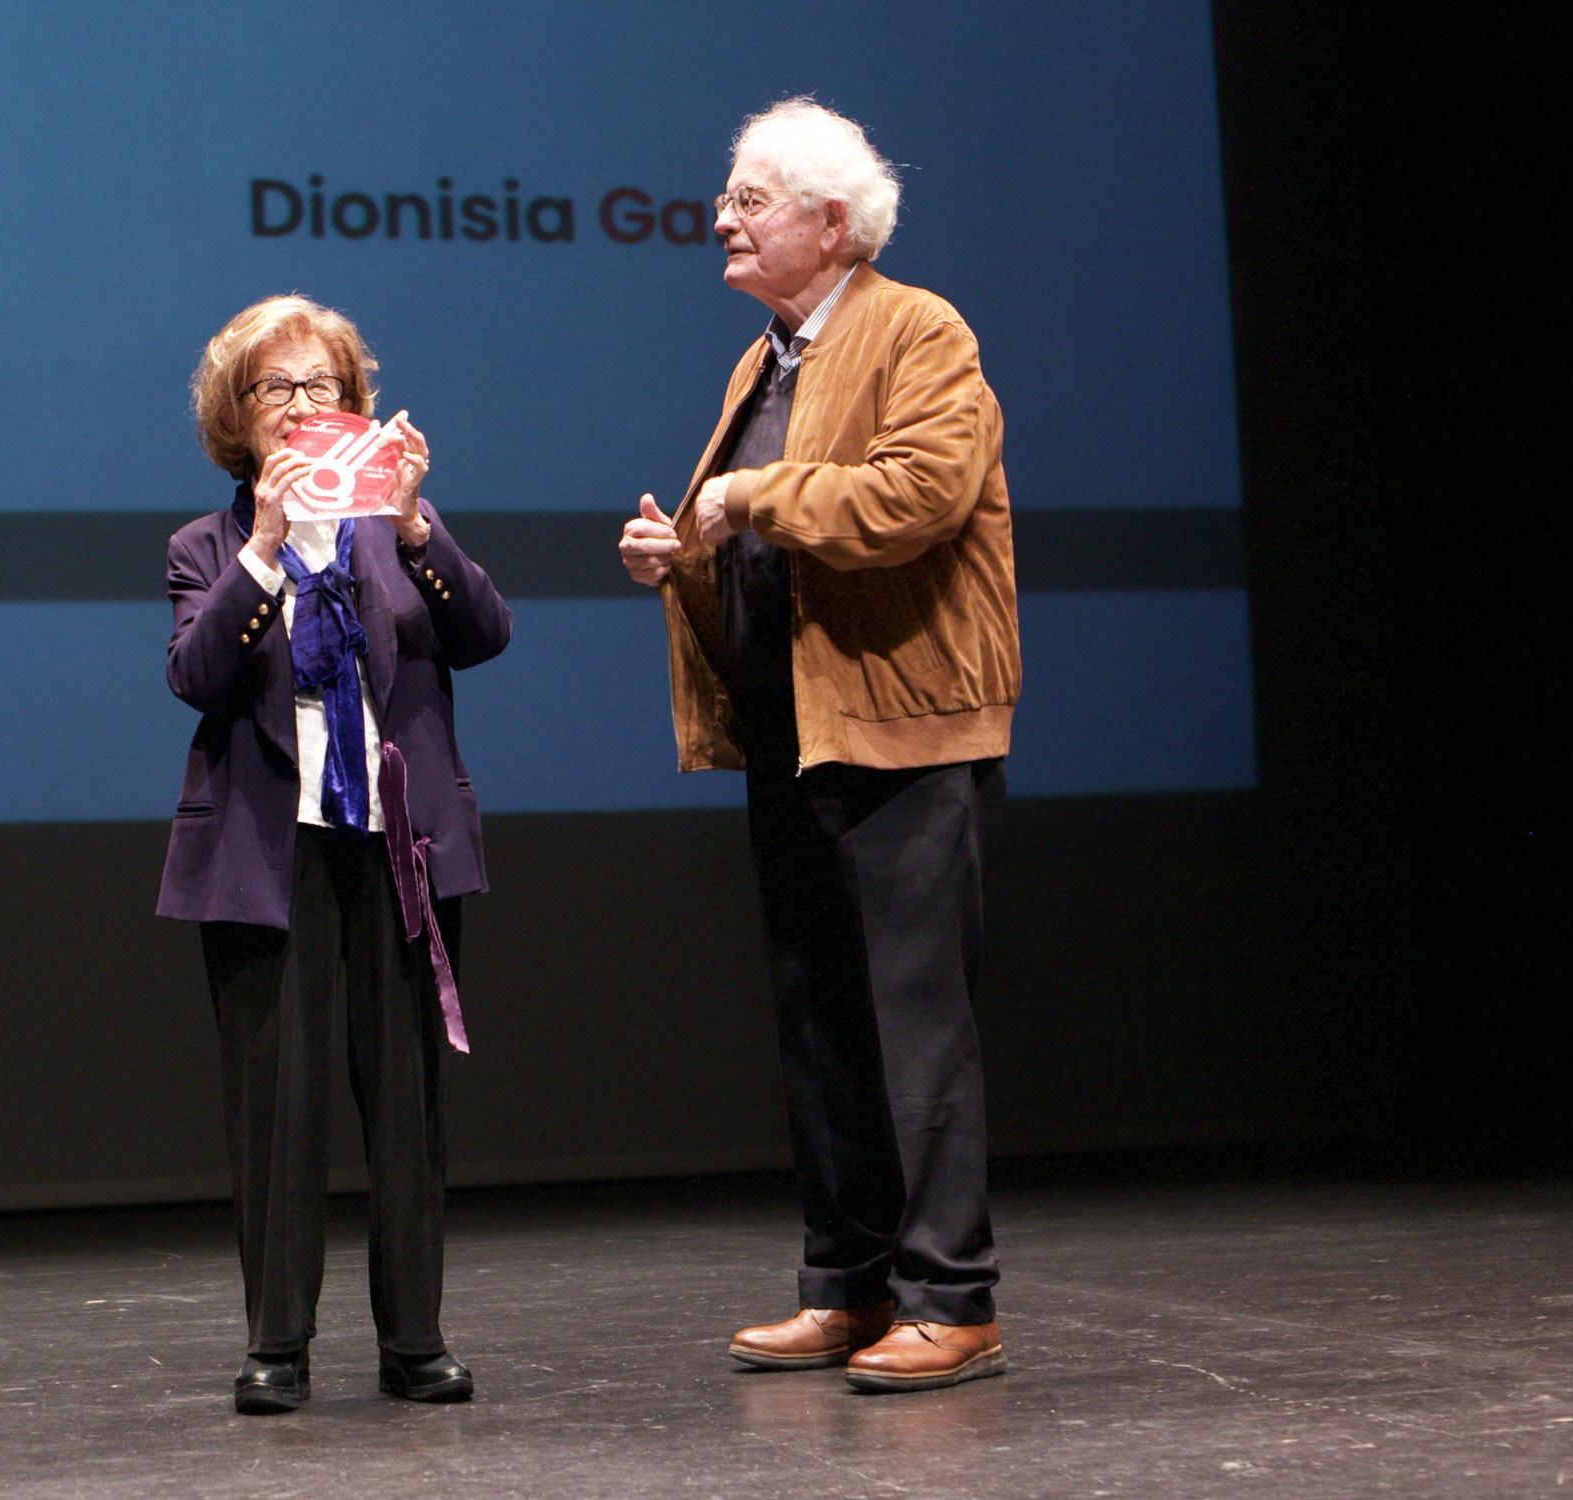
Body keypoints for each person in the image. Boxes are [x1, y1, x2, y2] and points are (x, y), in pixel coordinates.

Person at [617, 98, 1021, 1393]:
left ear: (832, 223)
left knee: (916, 1025)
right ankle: (845, 1288)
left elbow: (917, 497)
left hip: (902, 726)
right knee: (820, 1021)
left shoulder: (919, 329)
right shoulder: (767, 363)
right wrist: (679, 555)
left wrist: (749, 497)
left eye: (749, 198)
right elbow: (754, 540)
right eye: (727, 196)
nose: (722, 218)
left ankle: (953, 1297)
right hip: (797, 731)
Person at [159, 294, 511, 1413]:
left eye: (325, 388)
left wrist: (414, 526)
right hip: (270, 856)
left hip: (396, 848)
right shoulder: (206, 547)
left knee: (403, 1101)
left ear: (357, 407)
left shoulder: (398, 529)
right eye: (278, 389)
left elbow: (484, 633)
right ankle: (278, 1346)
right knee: (278, 1106)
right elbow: (195, 675)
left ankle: (414, 1340)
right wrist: (263, 552)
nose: (305, 407)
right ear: (237, 417)